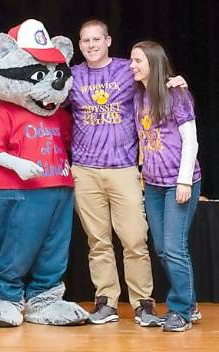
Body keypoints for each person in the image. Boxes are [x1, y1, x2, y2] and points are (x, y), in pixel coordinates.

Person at [67, 19, 186, 326]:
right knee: (98, 242)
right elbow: (45, 99)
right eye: (85, 41)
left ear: (108, 40)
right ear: (79, 45)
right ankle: (106, 302)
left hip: (124, 169)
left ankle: (143, 304)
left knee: (135, 240)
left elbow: (155, 77)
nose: (91, 45)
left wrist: (175, 81)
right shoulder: (73, 75)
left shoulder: (126, 69)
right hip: (85, 170)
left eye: (96, 39)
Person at [131, 40, 201, 332]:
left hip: (179, 183)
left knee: (174, 248)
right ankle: (191, 304)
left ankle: (180, 311)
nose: (132, 66)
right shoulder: (139, 95)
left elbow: (191, 140)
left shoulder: (176, 94)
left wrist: (184, 180)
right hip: (155, 185)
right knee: (161, 248)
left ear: (153, 63)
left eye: (137, 61)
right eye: (131, 61)